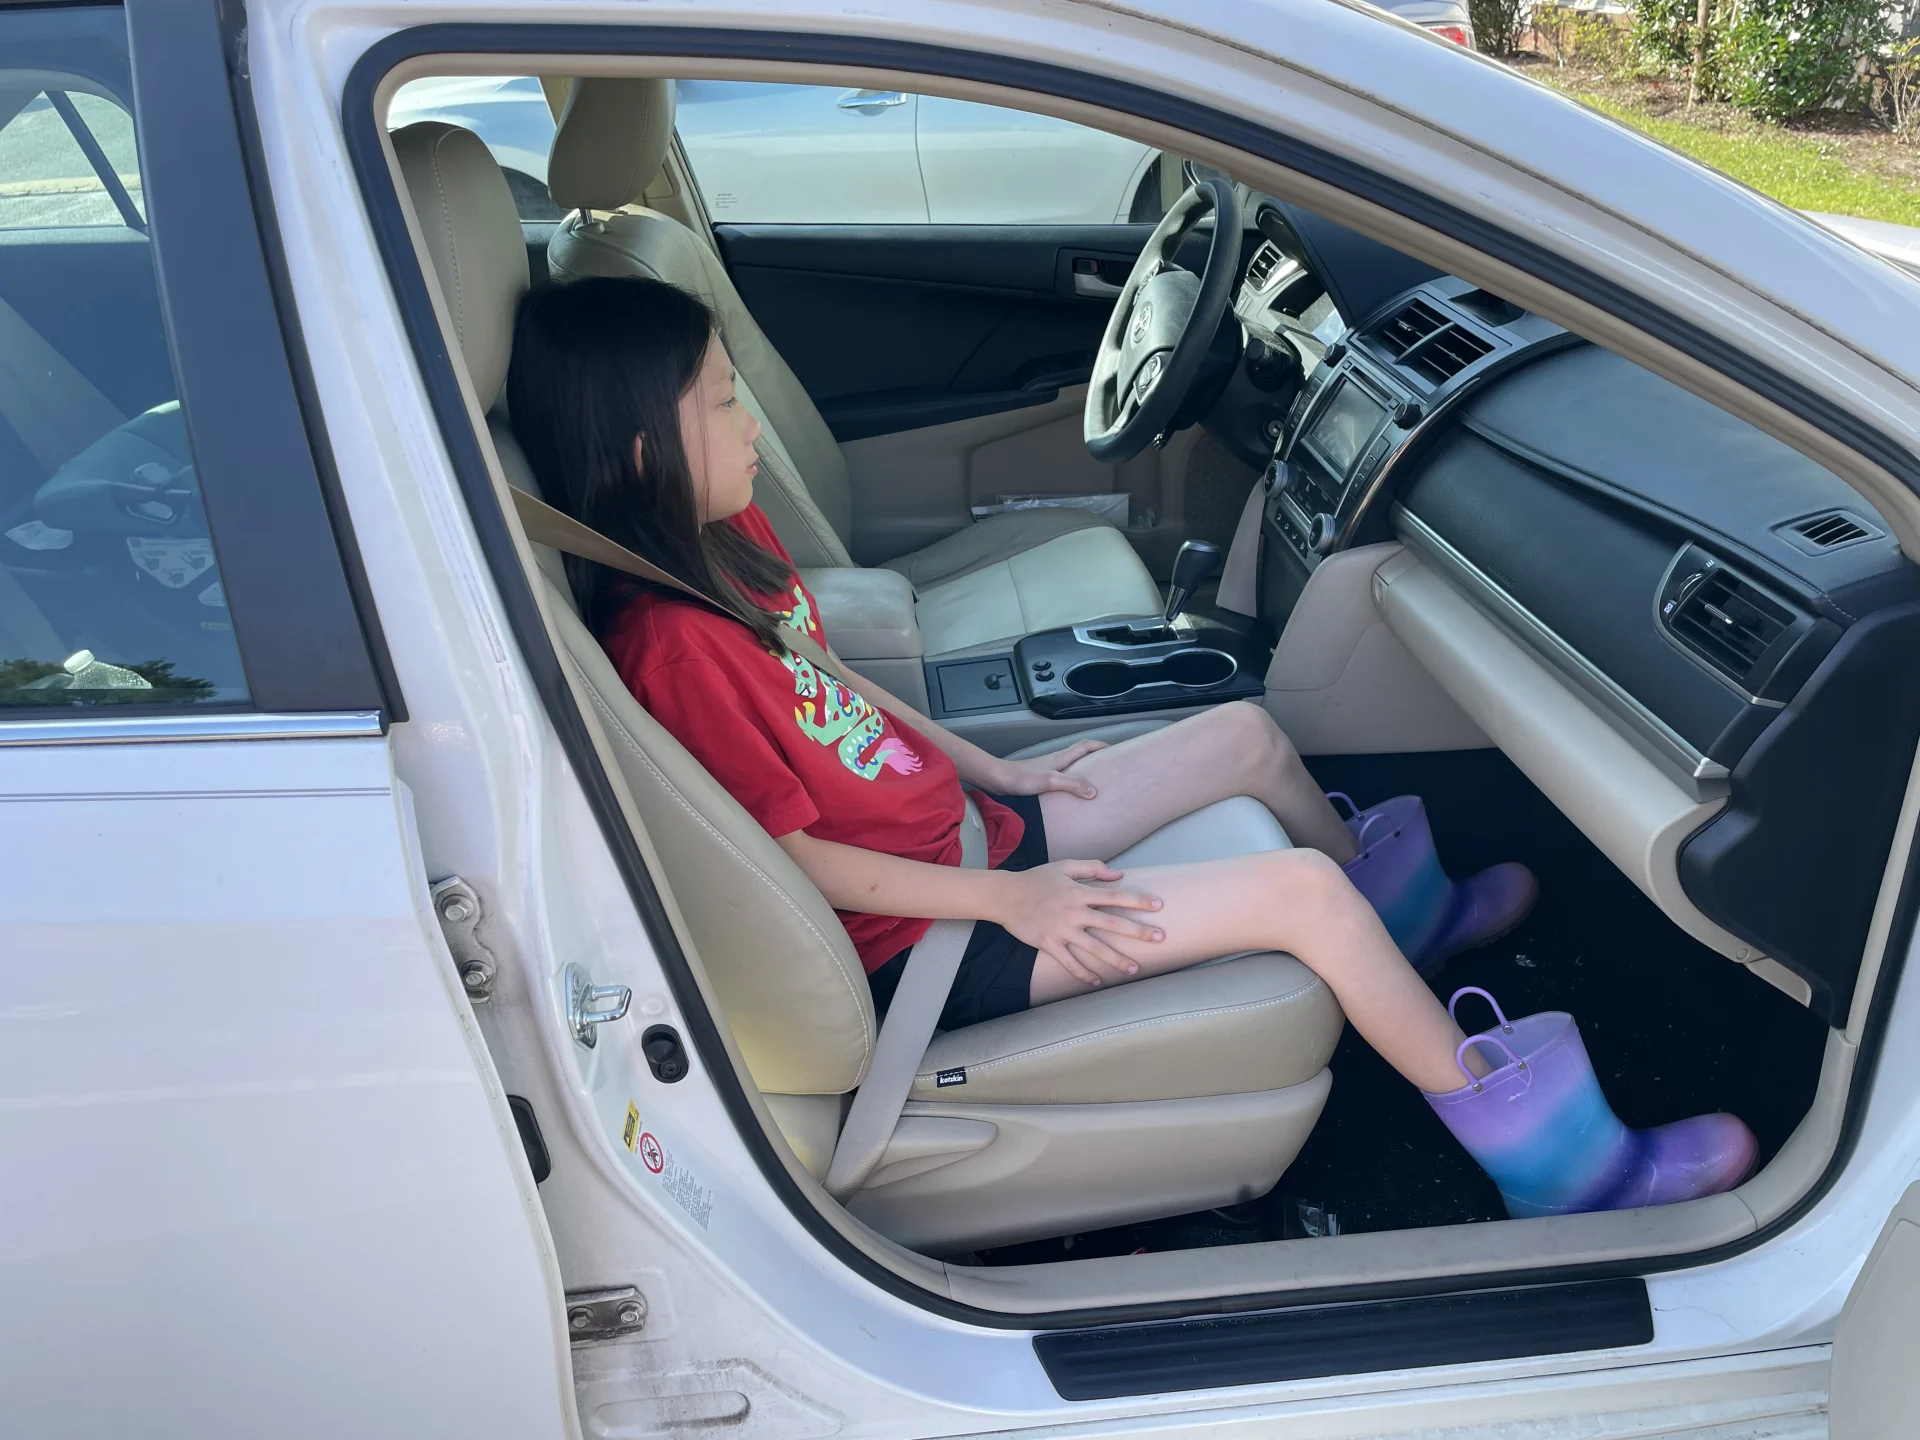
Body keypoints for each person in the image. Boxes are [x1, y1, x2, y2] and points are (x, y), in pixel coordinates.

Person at [506, 274, 1757, 1219]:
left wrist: (992, 770)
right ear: (635, 449)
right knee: (1302, 891)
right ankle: (1554, 1167)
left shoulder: (725, 555)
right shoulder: (667, 649)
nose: (750, 428)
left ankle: (1409, 933)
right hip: (932, 946)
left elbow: (833, 684)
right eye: (724, 404)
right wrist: (1016, 898)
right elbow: (806, 869)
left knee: (1246, 737)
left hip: (967, 838)